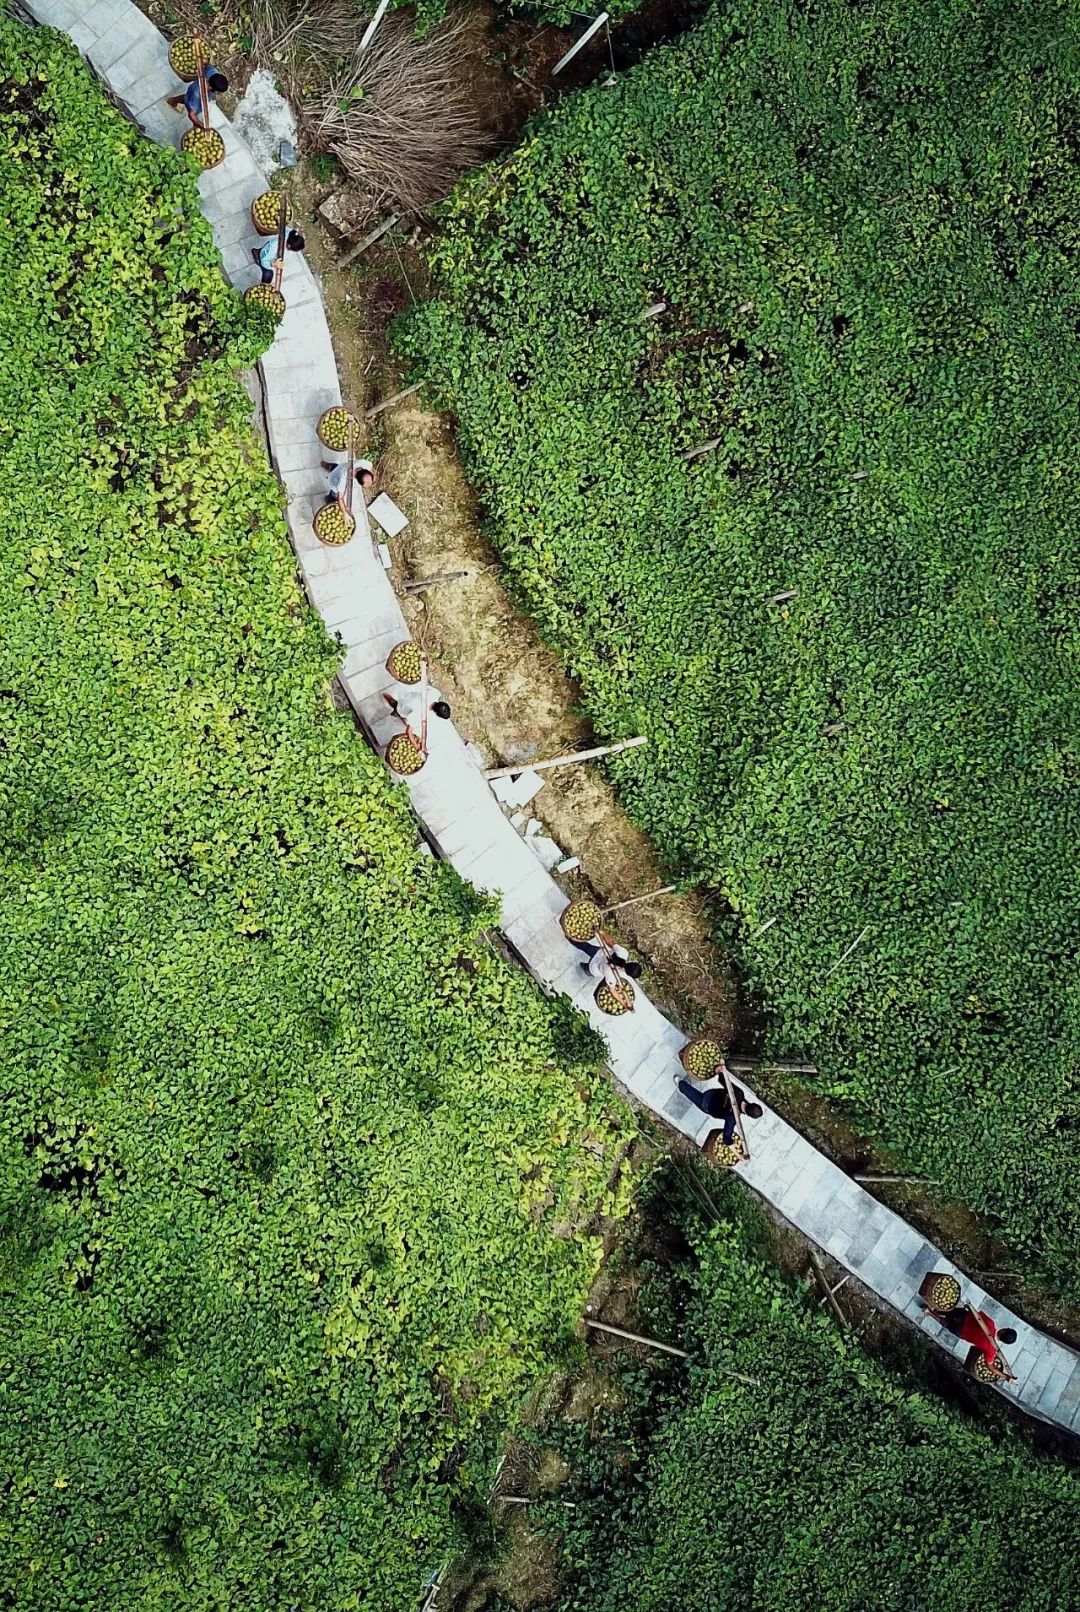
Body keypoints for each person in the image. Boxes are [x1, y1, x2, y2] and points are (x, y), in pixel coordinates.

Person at [675, 1071, 762, 1148]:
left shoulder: (739, 1093)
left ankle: (682, 1083)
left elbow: (724, 1081)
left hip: (712, 1094)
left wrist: (720, 1073)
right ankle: (680, 1084)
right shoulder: (733, 1117)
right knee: (693, 1095)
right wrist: (730, 1143)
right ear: (748, 1115)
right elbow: (726, 1136)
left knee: (699, 1095)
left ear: (752, 1103)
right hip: (708, 1106)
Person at [933, 1304, 1017, 1367]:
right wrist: (1005, 1376)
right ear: (1003, 1341)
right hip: (962, 1332)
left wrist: (968, 1307)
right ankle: (930, 1313)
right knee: (947, 1323)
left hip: (965, 1316)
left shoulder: (991, 1323)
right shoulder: (991, 1350)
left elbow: (977, 1314)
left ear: (1003, 1331)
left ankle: (936, 1309)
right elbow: (990, 1365)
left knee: (950, 1312)